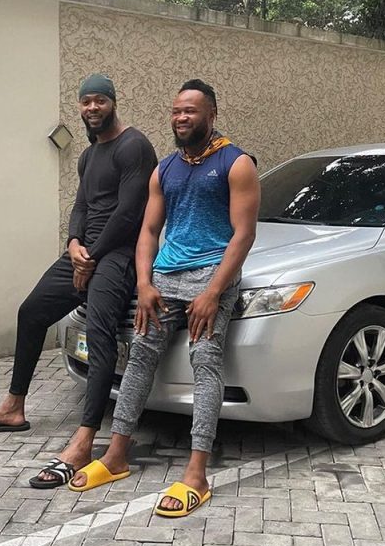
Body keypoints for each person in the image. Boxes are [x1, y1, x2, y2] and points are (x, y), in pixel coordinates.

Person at [67, 79, 260, 516]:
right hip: (165, 277)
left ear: (211, 114)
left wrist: (214, 292)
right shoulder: (166, 168)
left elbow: (243, 235)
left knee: (205, 360)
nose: (181, 118)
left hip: (211, 276)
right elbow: (149, 231)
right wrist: (144, 283)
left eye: (190, 111)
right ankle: (116, 455)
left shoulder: (236, 163)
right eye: (176, 111)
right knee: (140, 356)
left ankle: (197, 472)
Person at [0, 73, 157, 489]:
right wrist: (73, 244)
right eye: (86, 102)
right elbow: (81, 206)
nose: (92, 108)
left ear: (113, 102)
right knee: (31, 312)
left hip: (119, 255)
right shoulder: (89, 156)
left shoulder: (134, 146)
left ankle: (85, 441)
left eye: (99, 100)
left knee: (100, 335)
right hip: (84, 253)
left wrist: (92, 257)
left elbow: (129, 214)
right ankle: (13, 407)